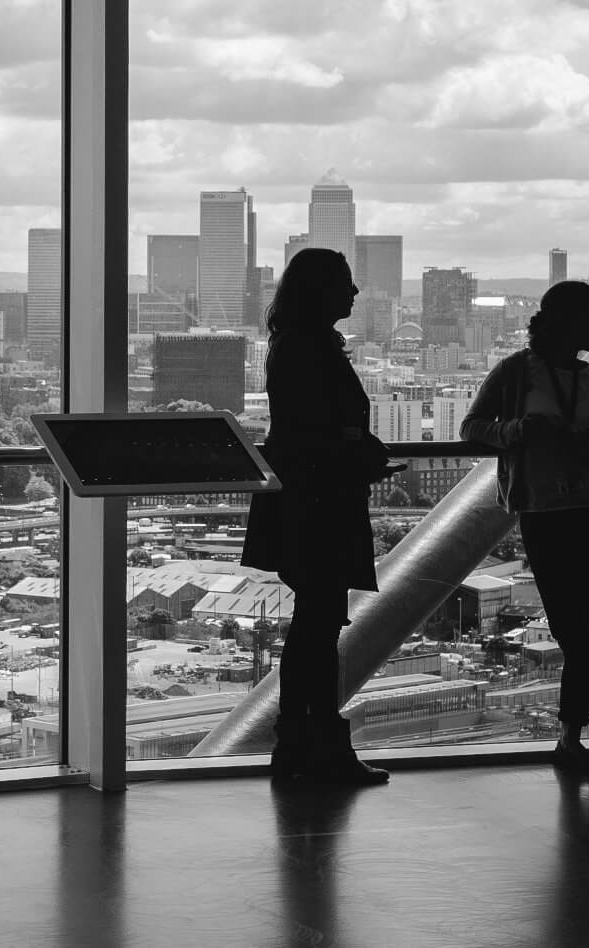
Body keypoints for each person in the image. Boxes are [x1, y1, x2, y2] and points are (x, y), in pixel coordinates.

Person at [460, 281, 589, 769]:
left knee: (582, 630)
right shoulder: (517, 373)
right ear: (568, 322)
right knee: (572, 628)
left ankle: (570, 736)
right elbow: (472, 428)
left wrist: (564, 435)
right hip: (557, 513)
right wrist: (519, 431)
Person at [241, 247, 396, 786]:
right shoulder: (311, 349)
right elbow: (320, 431)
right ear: (321, 291)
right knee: (318, 627)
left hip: (304, 499)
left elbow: (304, 428)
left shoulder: (293, 346)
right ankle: (318, 745)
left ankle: (301, 745)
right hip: (320, 502)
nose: (355, 294)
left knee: (314, 625)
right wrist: (361, 452)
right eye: (346, 284)